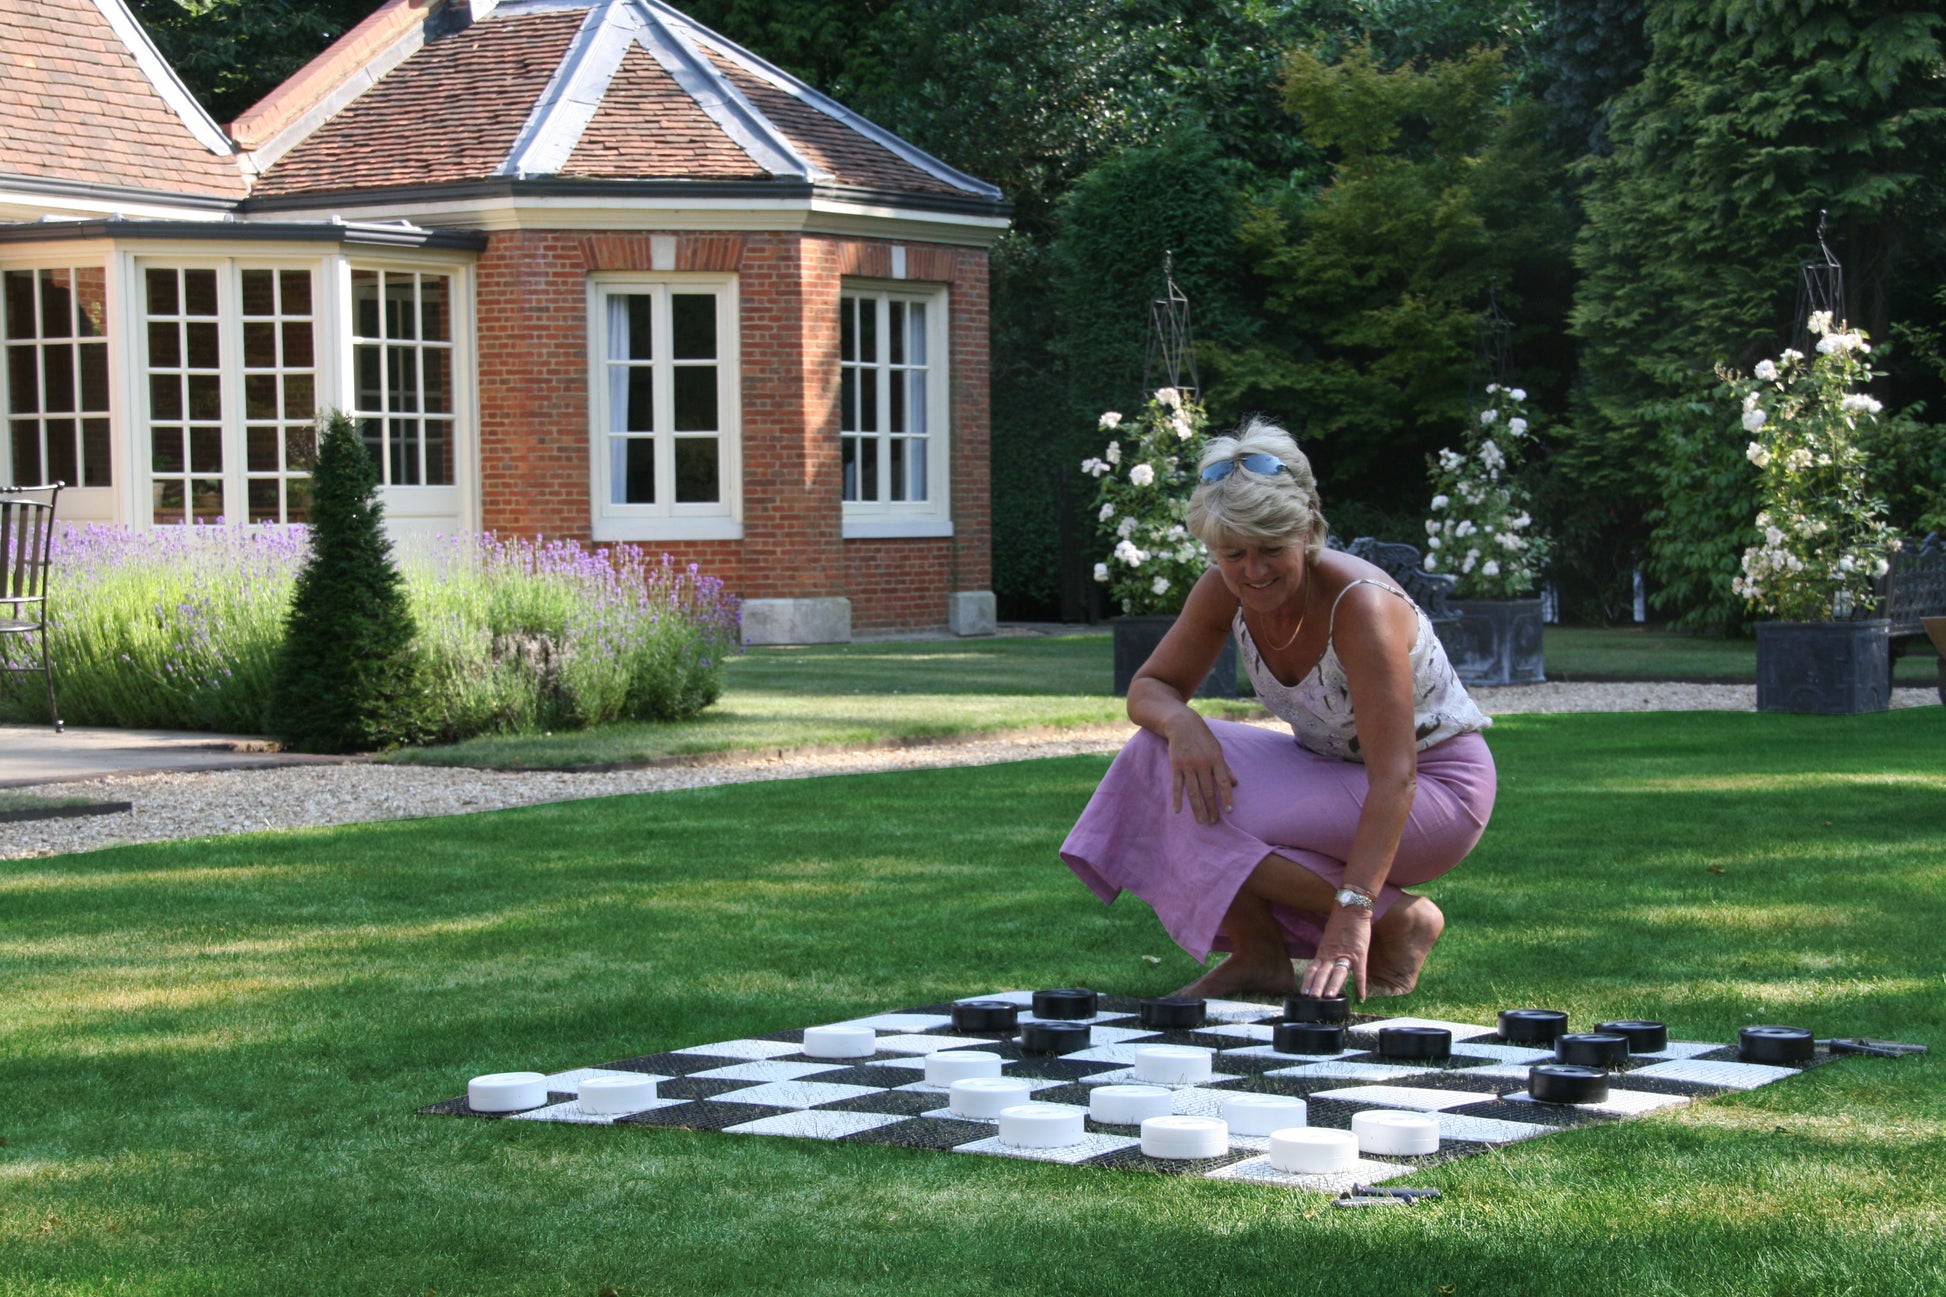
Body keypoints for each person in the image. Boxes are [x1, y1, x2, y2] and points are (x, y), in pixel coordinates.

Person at [1060, 417, 1496, 1003]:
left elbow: (1396, 777)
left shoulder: (1360, 606)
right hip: (1335, 770)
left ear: (1309, 528)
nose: (1253, 572)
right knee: (1156, 756)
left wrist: (1355, 910)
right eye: (1233, 553)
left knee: (1205, 805)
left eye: (1272, 550)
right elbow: (1151, 687)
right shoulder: (1223, 587)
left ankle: (1400, 919)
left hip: (1434, 792)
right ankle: (1258, 955)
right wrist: (1182, 722)